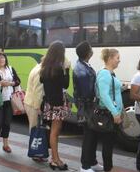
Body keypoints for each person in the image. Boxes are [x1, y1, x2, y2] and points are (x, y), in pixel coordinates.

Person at [73, 41, 104, 172]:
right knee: (89, 136)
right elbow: (86, 91)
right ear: (87, 53)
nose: (92, 50)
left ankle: (92, 162)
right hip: (87, 106)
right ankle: (85, 166)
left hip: (89, 106)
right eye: (91, 49)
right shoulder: (81, 69)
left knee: (93, 134)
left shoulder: (84, 65)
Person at [40, 41, 71, 170]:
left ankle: (55, 158)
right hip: (57, 103)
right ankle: (55, 159)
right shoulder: (58, 68)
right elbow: (66, 84)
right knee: (55, 132)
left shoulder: (45, 67)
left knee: (54, 131)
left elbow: (42, 81)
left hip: (49, 102)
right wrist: (67, 69)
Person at [96, 48, 124, 172]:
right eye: (117, 58)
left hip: (113, 113)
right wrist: (114, 112)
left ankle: (109, 167)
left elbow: (110, 91)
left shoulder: (110, 73)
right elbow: (104, 95)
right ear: (110, 58)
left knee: (110, 143)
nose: (119, 60)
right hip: (109, 115)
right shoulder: (105, 73)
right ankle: (108, 168)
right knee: (108, 143)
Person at [0, 52, 21, 154]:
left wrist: (11, 83)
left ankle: (5, 144)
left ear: (5, 59)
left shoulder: (10, 69)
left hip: (9, 100)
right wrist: (0, 84)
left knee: (7, 123)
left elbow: (18, 81)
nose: (1, 60)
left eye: (3, 58)